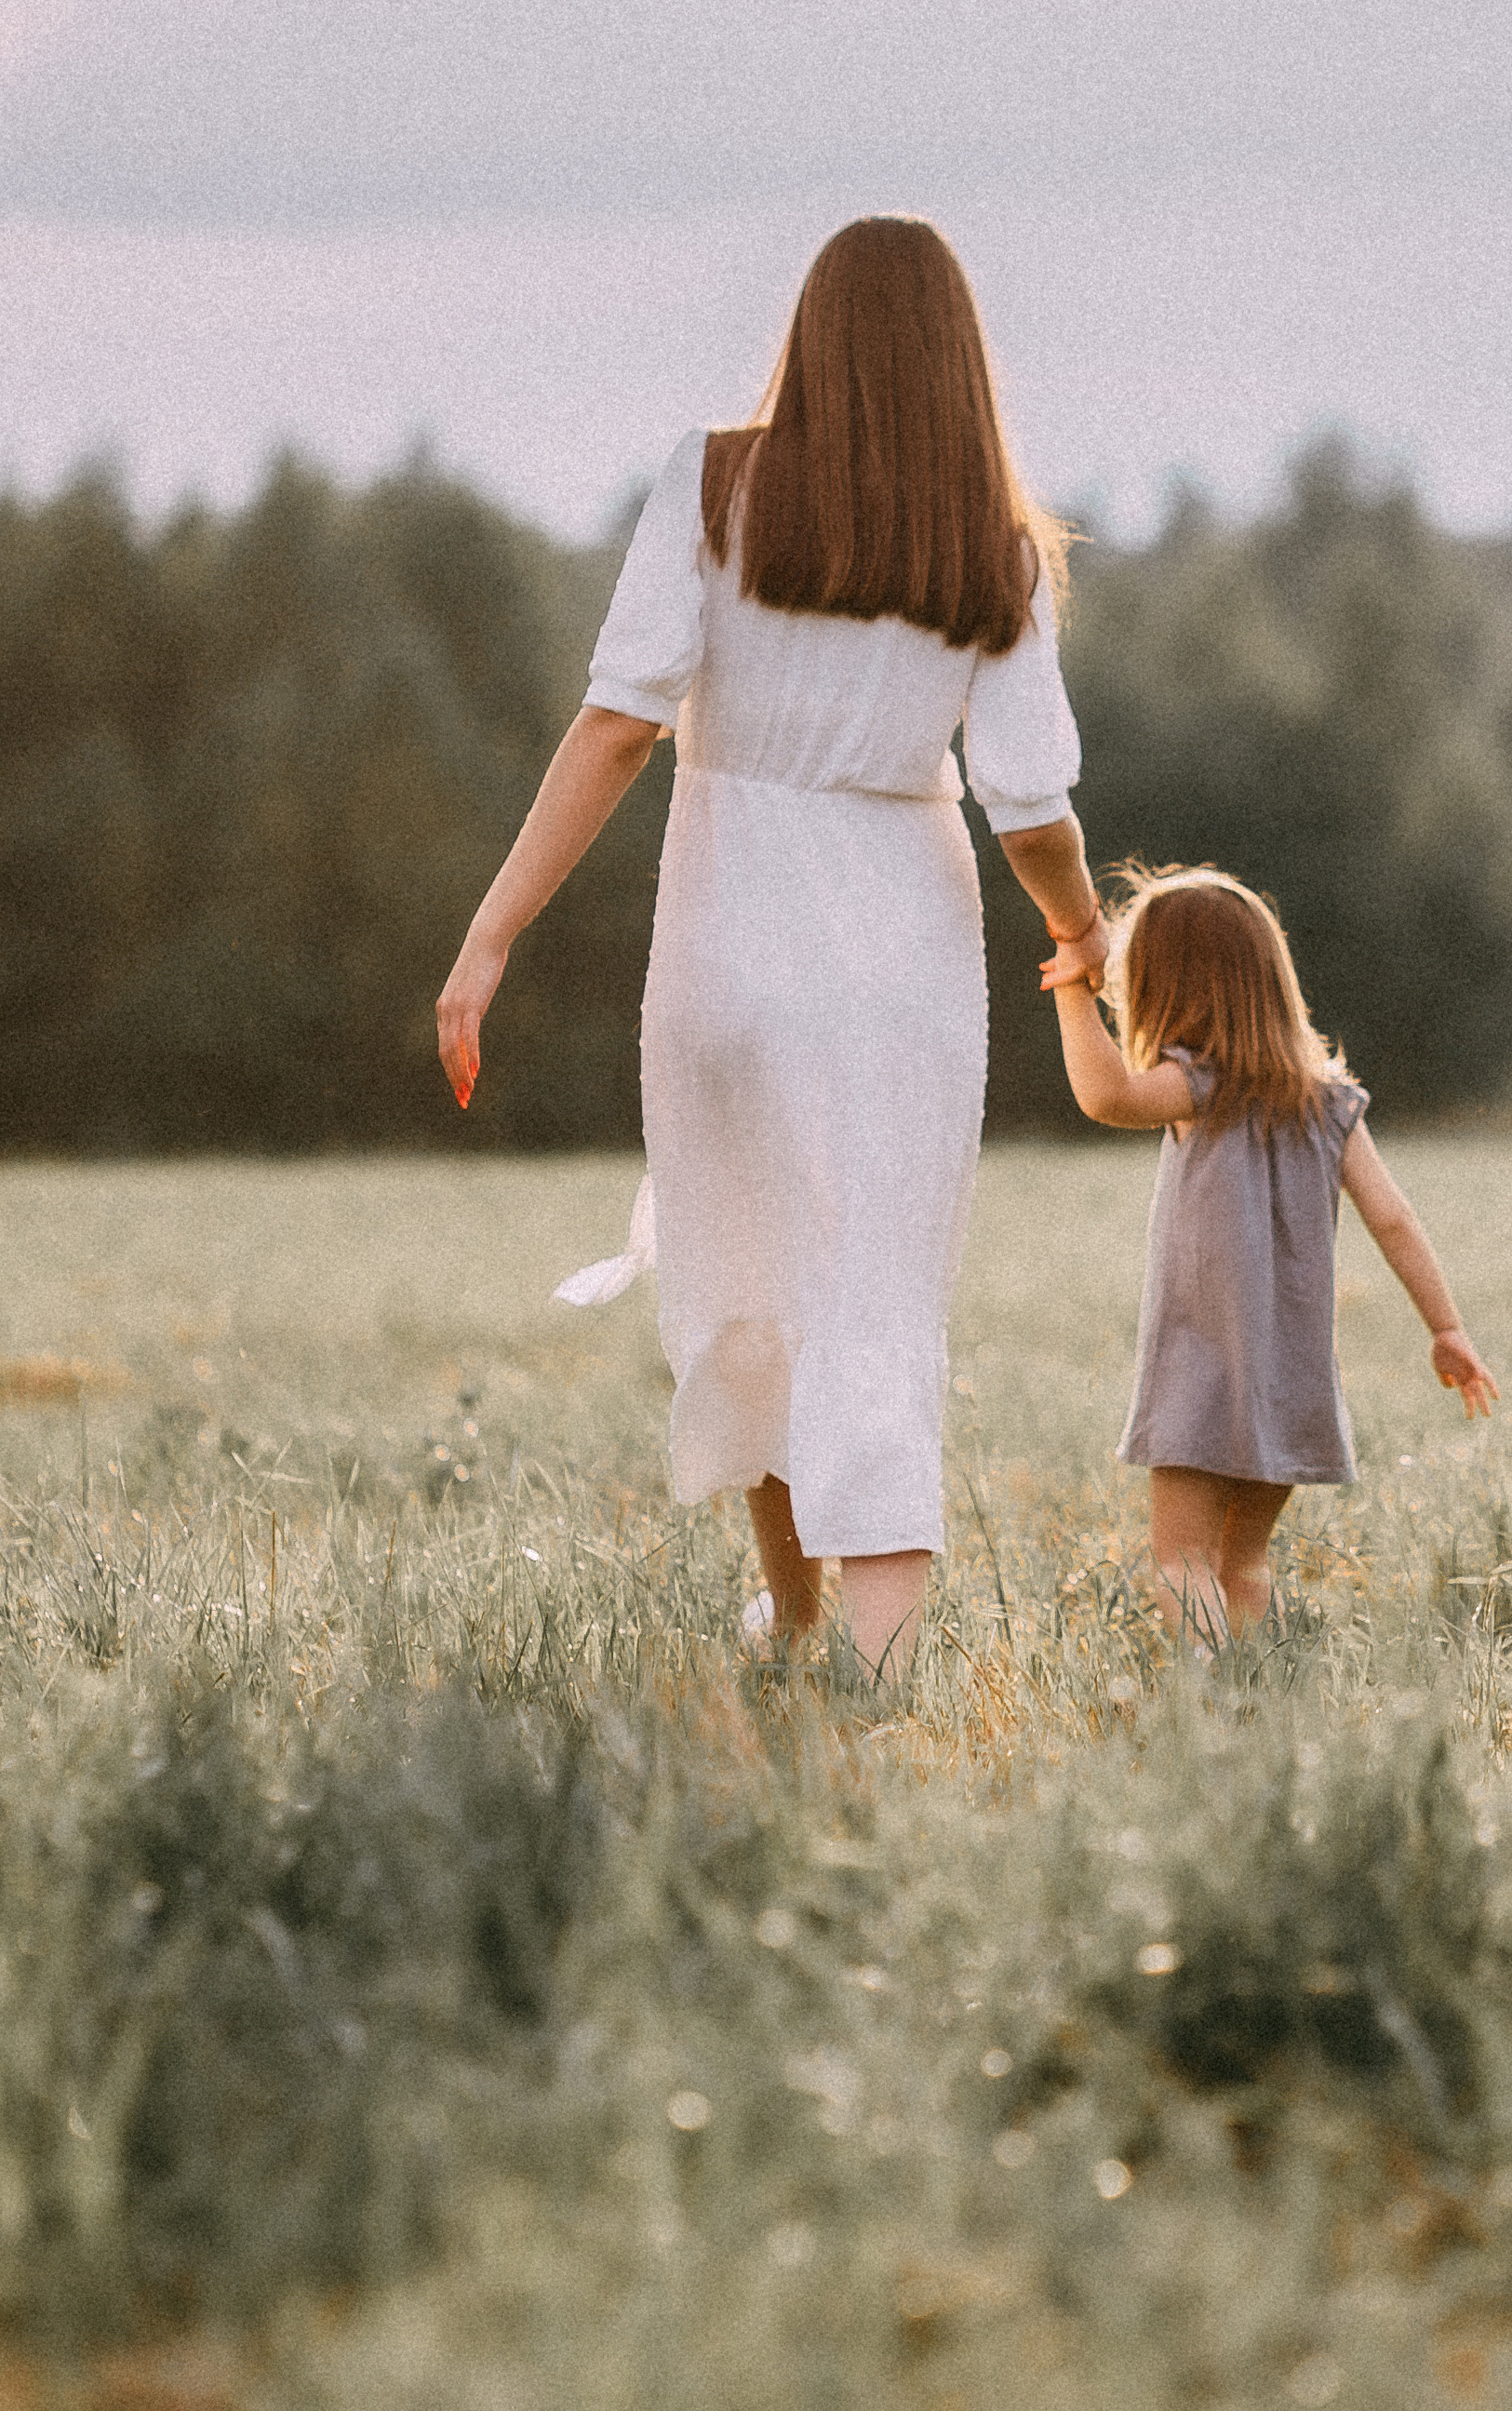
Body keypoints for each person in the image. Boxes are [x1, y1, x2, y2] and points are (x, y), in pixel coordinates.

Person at [435, 216, 1108, 1680]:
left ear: (808, 335)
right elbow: (1029, 802)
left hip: (730, 928)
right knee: (873, 1287)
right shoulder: (991, 544)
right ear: (957, 360)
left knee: (748, 1268)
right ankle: (876, 1662)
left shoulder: (713, 481)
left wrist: (492, 932)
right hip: (899, 944)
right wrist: (1081, 933)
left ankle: (795, 1617)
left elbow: (618, 726)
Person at [1040, 865, 1499, 1642]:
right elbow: (1393, 1218)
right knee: (1241, 1566)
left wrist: (1071, 989)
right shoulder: (1328, 1103)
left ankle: (1219, 1704)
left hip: (1202, 1370)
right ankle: (1258, 1693)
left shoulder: (1195, 1086)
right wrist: (1446, 1327)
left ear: (1168, 988)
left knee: (1179, 1563)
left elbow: (1105, 1094)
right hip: (1290, 1379)